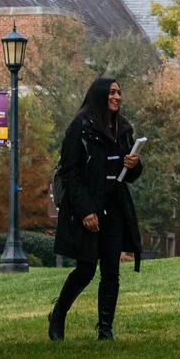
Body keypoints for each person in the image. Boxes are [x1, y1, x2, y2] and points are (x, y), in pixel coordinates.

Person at [48, 77, 144, 341]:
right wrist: (85, 211)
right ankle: (58, 314)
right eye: (112, 92)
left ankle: (105, 329)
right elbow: (70, 173)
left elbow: (130, 175)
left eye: (119, 92)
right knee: (86, 269)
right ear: (100, 95)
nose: (117, 97)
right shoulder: (79, 128)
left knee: (111, 270)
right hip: (88, 209)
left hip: (114, 208)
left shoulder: (123, 129)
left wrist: (134, 164)